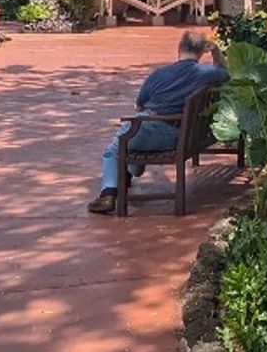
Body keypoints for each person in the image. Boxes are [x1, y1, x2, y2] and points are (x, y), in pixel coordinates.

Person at [90, 29, 228, 215]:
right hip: (184, 136)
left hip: (154, 130)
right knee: (134, 135)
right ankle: (127, 174)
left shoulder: (160, 75)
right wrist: (216, 52)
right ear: (201, 52)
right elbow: (225, 73)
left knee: (117, 147)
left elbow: (139, 104)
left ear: (179, 48)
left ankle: (109, 192)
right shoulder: (207, 73)